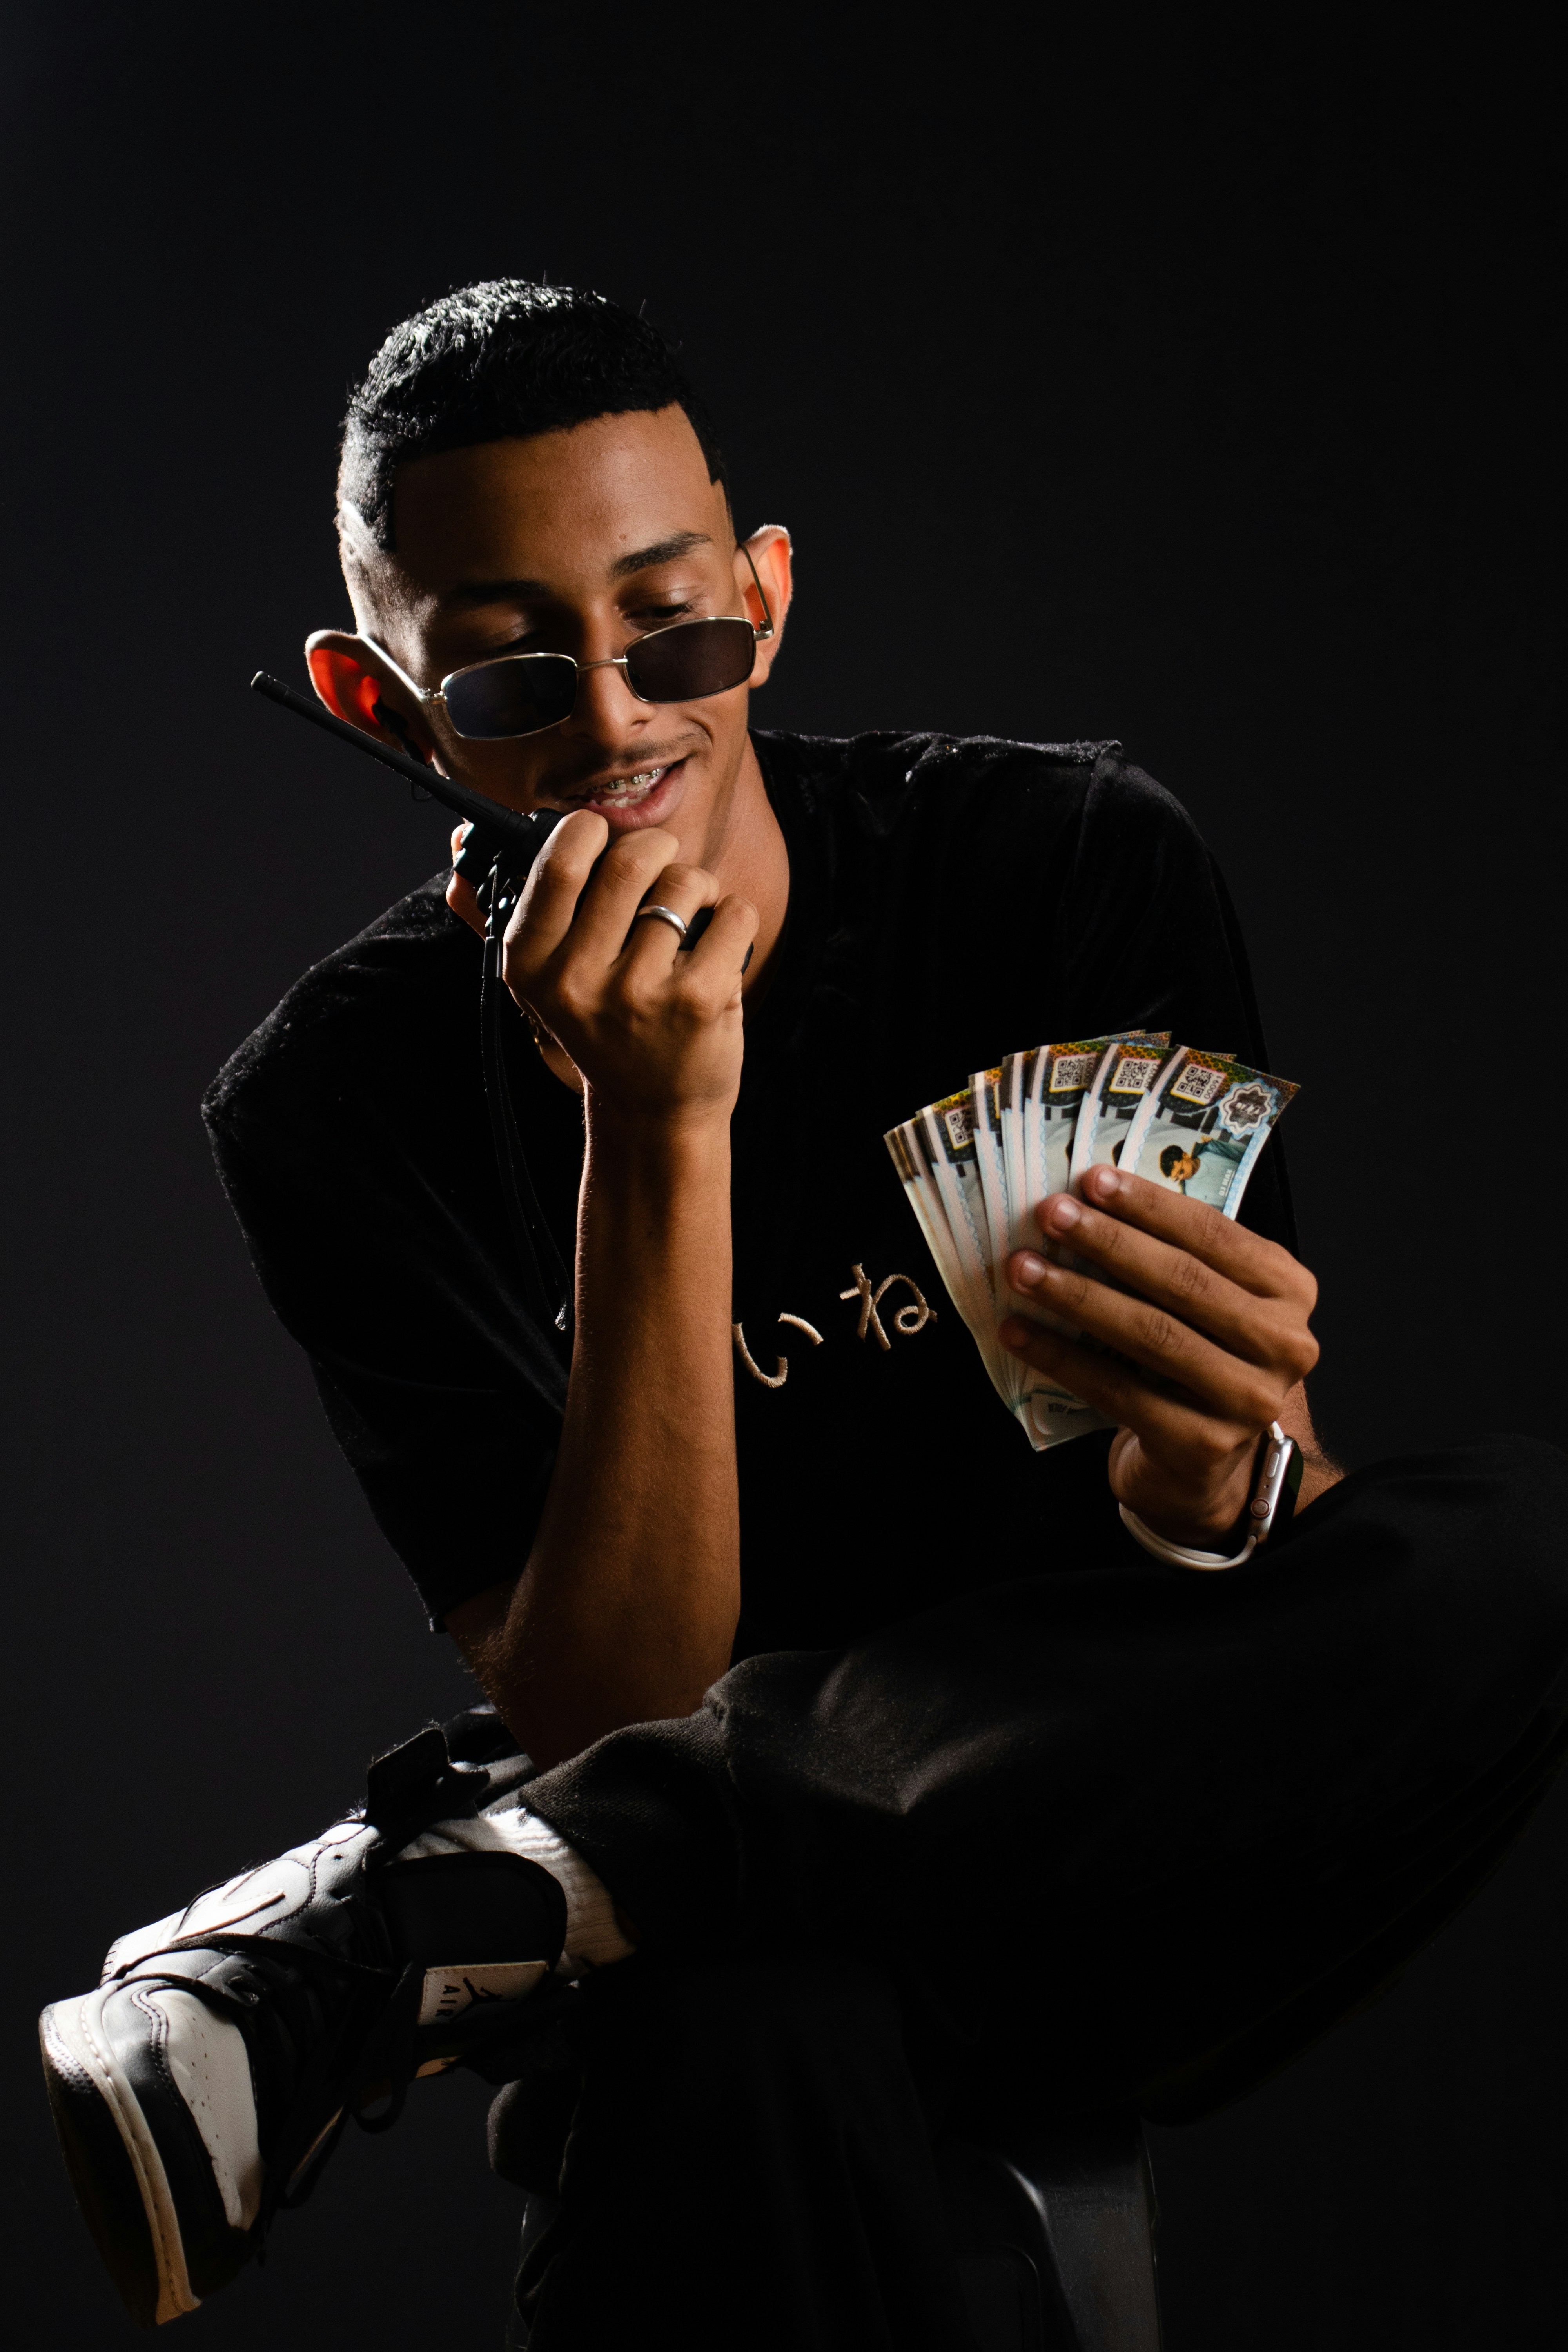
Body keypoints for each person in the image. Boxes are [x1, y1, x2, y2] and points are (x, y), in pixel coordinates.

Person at [38, 282, 1568, 2347]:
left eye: (675, 632)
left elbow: (1256, 1621)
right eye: (506, 678)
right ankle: (550, 1898)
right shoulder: (337, 1106)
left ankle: (444, 1916)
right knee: (733, 2036)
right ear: (378, 700)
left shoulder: (1058, 870)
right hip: (724, 1979)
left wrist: (1215, 1482)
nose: (617, 720)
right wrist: (663, 1125)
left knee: (1517, 1547)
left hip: (1115, 1880)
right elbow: (619, 1708)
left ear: (761, 600)